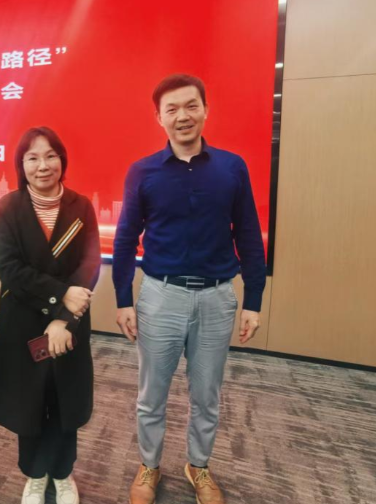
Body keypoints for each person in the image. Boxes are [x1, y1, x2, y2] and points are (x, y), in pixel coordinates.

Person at [113, 74, 267, 504]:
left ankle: (198, 466)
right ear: (159, 118)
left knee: (207, 395)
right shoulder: (143, 171)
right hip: (161, 296)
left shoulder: (232, 167)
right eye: (172, 109)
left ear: (205, 110)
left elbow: (248, 234)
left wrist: (253, 300)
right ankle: (149, 464)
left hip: (217, 298)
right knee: (151, 395)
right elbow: (125, 239)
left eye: (191, 105)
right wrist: (123, 299)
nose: (182, 116)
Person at [0, 126, 101, 504]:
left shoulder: (80, 206)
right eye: (32, 158)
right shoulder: (7, 209)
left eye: (50, 155)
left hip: (70, 324)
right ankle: (36, 475)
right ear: (21, 165)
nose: (43, 165)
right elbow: (10, 269)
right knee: (30, 402)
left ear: (62, 160)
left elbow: (89, 265)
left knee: (65, 400)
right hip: (24, 324)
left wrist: (63, 319)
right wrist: (60, 297)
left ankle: (63, 474)